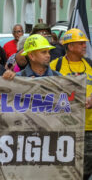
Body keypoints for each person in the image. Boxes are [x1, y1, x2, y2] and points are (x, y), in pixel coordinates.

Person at [49, 28, 92, 179]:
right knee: (65, 168)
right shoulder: (56, 65)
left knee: (85, 169)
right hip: (62, 126)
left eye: (84, 43)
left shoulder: (90, 64)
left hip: (88, 127)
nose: (85, 46)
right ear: (70, 46)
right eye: (81, 43)